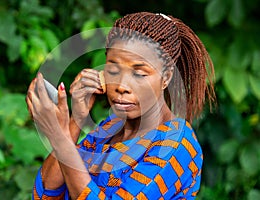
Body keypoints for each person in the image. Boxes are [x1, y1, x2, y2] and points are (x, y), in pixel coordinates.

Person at [26, 12, 215, 200]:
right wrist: (76, 120)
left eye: (139, 74)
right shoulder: (109, 129)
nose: (121, 86)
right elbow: (45, 195)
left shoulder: (175, 144)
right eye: (113, 70)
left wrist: (59, 137)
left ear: (165, 78)